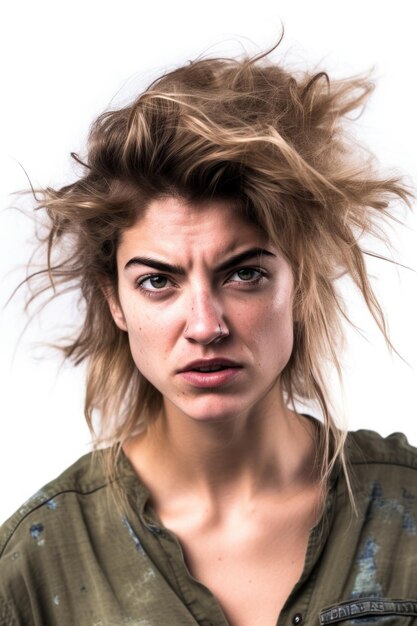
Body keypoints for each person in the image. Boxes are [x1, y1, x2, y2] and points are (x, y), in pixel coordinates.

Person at [1, 43, 416, 626]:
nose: (205, 325)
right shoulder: (37, 565)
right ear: (113, 300)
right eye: (157, 282)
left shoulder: (406, 517)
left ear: (300, 282)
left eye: (245, 274)